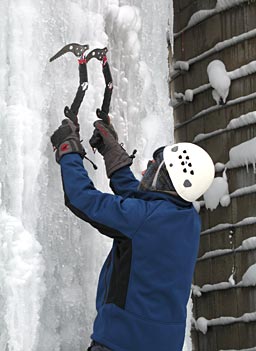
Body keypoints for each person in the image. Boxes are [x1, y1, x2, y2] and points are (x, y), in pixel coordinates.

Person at [50, 54, 215, 351]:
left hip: (120, 344)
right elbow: (142, 206)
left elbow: (83, 198)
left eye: (154, 165)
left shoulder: (145, 218)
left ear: (165, 175)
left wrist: (68, 149)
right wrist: (115, 158)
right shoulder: (187, 219)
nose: (147, 167)